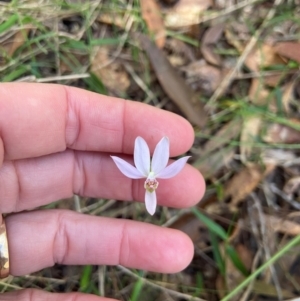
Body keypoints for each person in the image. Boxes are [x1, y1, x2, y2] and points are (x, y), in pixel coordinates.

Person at [0, 83, 205, 300]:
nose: (151, 184)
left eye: (151, 183)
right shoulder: (140, 173)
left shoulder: (152, 177)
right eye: (151, 182)